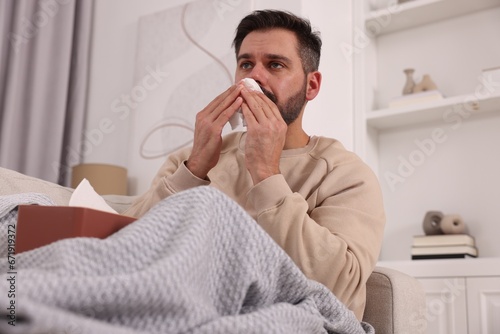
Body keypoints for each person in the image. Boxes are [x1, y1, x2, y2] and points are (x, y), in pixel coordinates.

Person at [124, 9, 385, 320]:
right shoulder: (192, 158)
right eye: (246, 64)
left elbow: (338, 289)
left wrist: (266, 174)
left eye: (275, 65)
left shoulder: (345, 174)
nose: (254, 78)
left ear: (311, 86)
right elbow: (124, 246)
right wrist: (193, 170)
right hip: (177, 306)